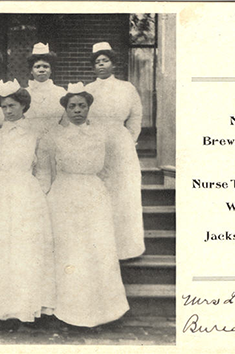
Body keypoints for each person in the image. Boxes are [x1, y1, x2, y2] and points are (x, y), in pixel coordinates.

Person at [37, 82, 129, 327]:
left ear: (89, 107)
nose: (77, 110)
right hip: (64, 194)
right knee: (69, 250)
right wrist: (44, 196)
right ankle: (66, 310)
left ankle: (100, 310)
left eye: (82, 105)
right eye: (72, 106)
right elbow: (45, 171)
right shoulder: (53, 136)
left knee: (95, 250)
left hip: (93, 194)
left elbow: (110, 169)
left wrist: (105, 195)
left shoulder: (102, 135)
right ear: (65, 109)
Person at [0, 80, 54, 328]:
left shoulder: (35, 134)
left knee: (24, 250)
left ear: (24, 105)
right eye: (4, 107)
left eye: (12, 106)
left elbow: (43, 171)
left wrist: (36, 195)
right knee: (0, 248)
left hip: (25, 193)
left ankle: (25, 308)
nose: (8, 111)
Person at [85, 42, 145, 260]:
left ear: (113, 64)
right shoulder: (88, 90)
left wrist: (129, 138)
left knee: (123, 192)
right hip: (95, 142)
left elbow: (136, 115)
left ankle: (126, 247)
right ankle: (100, 247)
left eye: (105, 61)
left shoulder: (126, 88)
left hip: (121, 143)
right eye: (97, 62)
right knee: (99, 192)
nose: (101, 65)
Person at [24, 43, 66, 135]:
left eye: (45, 66)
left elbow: (65, 121)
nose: (41, 69)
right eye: (37, 67)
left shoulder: (60, 92)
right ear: (31, 71)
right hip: (29, 137)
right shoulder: (24, 93)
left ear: (51, 70)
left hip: (55, 137)